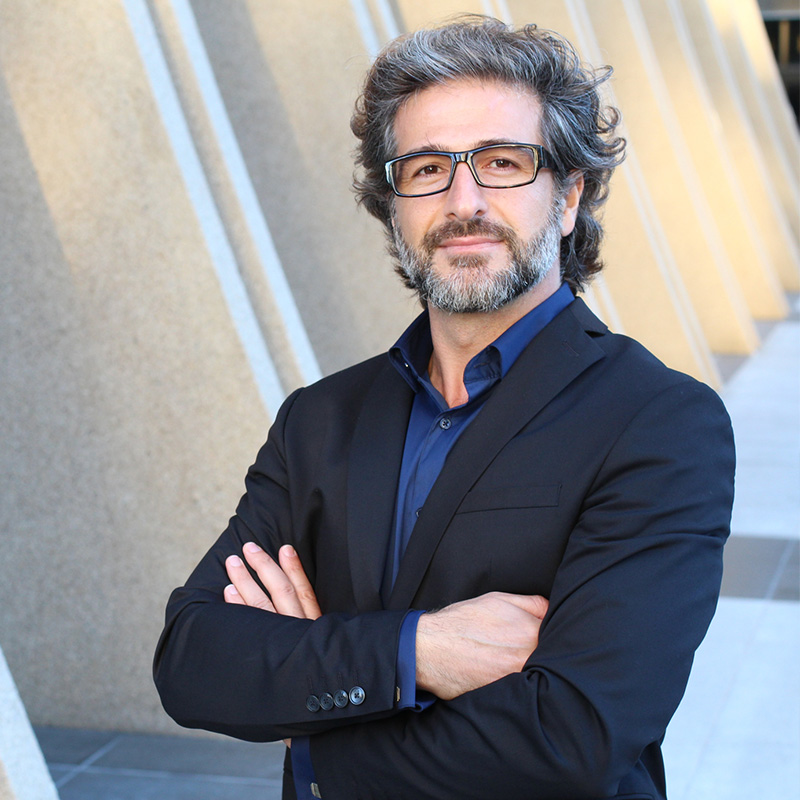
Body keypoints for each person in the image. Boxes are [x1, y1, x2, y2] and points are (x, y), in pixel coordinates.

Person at [154, 16, 735, 800]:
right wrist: (418, 650)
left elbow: (574, 735)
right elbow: (193, 659)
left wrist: (317, 740)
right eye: (427, 168)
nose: (464, 201)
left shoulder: (659, 422)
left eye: (502, 163)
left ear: (568, 197)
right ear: (393, 207)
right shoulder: (319, 420)